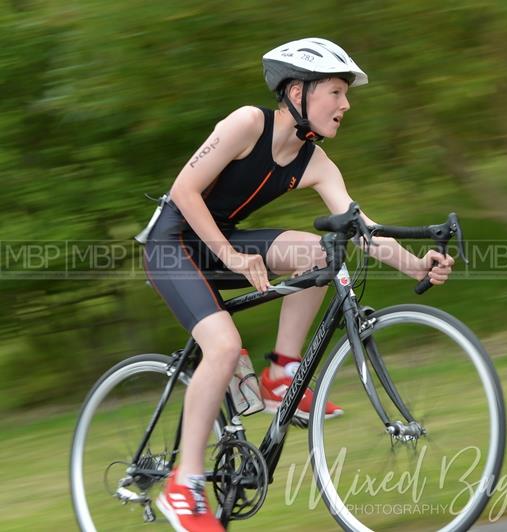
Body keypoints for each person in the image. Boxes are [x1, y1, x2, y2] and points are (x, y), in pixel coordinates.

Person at [142, 37, 455, 532]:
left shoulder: (315, 162)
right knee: (223, 348)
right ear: (297, 91)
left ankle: (281, 374)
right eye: (335, 91)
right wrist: (231, 256)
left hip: (223, 243)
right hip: (171, 244)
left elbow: (360, 229)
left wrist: (418, 265)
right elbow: (183, 190)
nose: (346, 104)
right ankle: (185, 486)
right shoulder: (248, 123)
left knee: (320, 250)